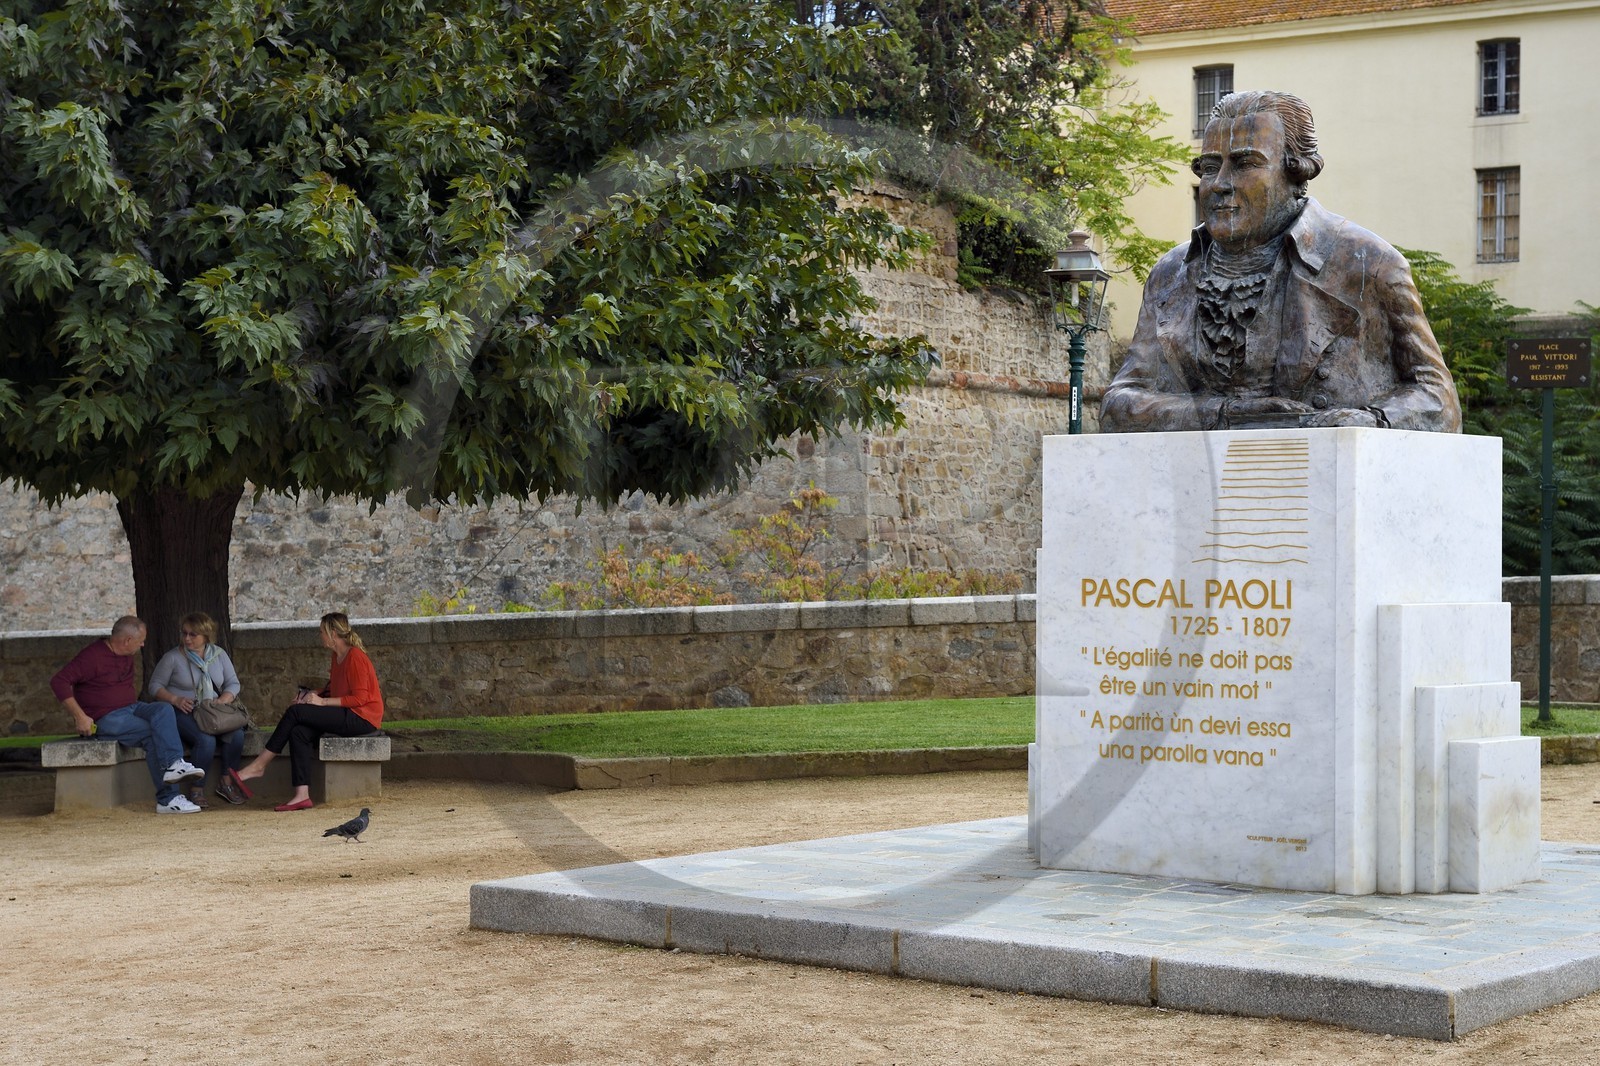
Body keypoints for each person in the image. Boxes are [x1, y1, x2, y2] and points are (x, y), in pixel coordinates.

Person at [1099, 90, 1461, 434]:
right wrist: (1224, 415)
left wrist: (1370, 422)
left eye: (1244, 164)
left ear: (1297, 171)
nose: (1219, 184)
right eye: (1210, 168)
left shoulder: (1367, 263)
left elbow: (1439, 401)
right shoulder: (1170, 273)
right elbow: (1118, 405)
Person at [51, 615, 206, 814]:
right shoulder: (91, 657)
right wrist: (80, 716)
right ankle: (168, 799)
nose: (143, 645)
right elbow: (59, 681)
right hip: (107, 717)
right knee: (152, 734)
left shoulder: (126, 654)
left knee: (163, 709)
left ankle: (174, 765)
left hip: (131, 708)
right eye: (141, 640)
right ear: (127, 640)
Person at [232, 612, 382, 811]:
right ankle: (302, 795)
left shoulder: (355, 657)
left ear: (333, 633)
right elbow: (335, 687)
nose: (320, 636)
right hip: (349, 714)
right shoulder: (337, 656)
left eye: (322, 632)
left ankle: (259, 765)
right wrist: (311, 694)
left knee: (296, 712)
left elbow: (360, 699)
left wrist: (322, 702)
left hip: (362, 718)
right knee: (299, 732)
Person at [148, 612, 249, 807]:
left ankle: (226, 783)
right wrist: (174, 699)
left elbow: (233, 683)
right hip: (184, 711)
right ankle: (197, 788)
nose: (187, 638)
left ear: (206, 636)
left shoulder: (218, 655)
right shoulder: (173, 657)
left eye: (193, 634)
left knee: (236, 736)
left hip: (212, 711)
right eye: (184, 633)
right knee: (205, 740)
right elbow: (154, 686)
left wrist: (224, 698)